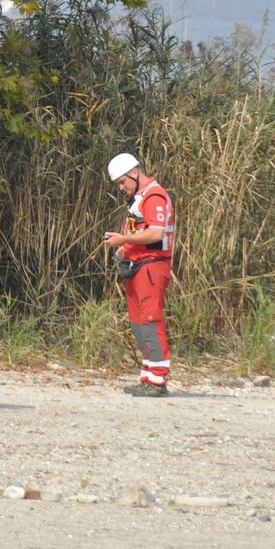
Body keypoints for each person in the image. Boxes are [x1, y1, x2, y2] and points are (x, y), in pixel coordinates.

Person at [100, 153, 175, 396]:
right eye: (118, 184)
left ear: (134, 173)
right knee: (138, 322)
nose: (121, 188)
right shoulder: (139, 197)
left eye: (122, 182)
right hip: (136, 265)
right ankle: (148, 375)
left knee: (150, 319)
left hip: (152, 266)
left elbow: (155, 234)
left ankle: (158, 380)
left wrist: (124, 239)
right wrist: (126, 247)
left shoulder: (154, 196)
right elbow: (141, 231)